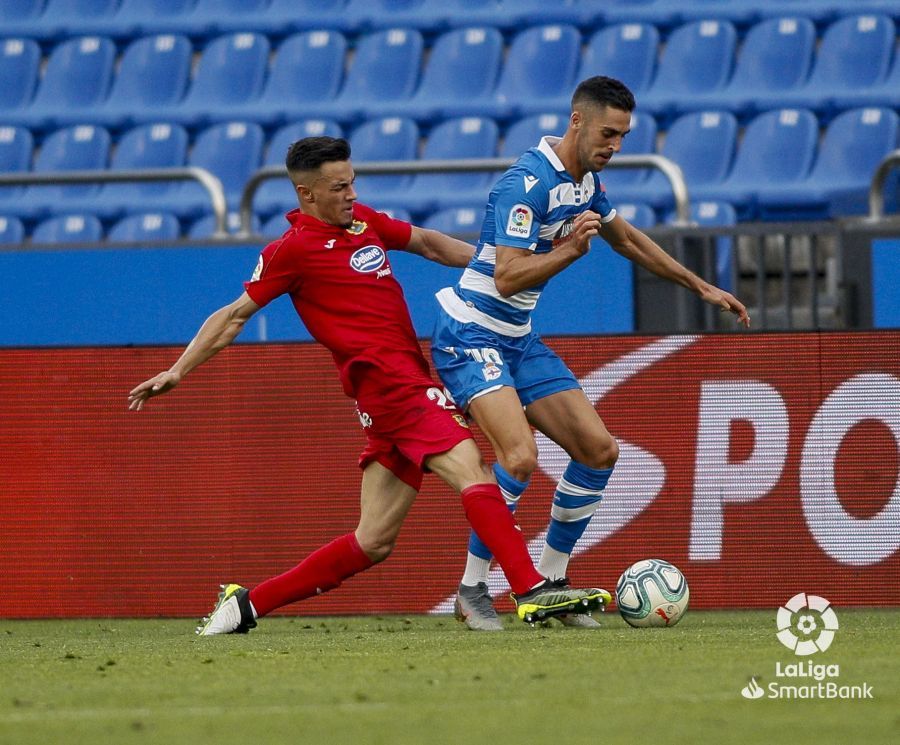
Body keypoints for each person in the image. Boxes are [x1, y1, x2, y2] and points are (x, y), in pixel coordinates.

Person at [128, 136, 611, 635]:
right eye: (339, 187)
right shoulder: (291, 252)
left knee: (373, 540)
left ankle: (247, 604)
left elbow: (425, 242)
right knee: (475, 472)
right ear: (306, 194)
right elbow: (231, 317)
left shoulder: (364, 224)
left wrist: (488, 267)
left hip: (395, 392)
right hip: (392, 388)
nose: (351, 194)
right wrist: (178, 370)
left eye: (353, 182)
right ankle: (530, 589)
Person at [432, 76, 751, 631]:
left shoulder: (584, 184)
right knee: (519, 456)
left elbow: (625, 238)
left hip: (517, 338)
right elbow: (506, 277)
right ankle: (472, 588)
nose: (616, 146)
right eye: (609, 133)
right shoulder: (525, 184)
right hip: (470, 334)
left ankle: (553, 582)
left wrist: (700, 286)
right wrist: (570, 250)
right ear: (577, 121)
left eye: (624, 136)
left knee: (598, 450)